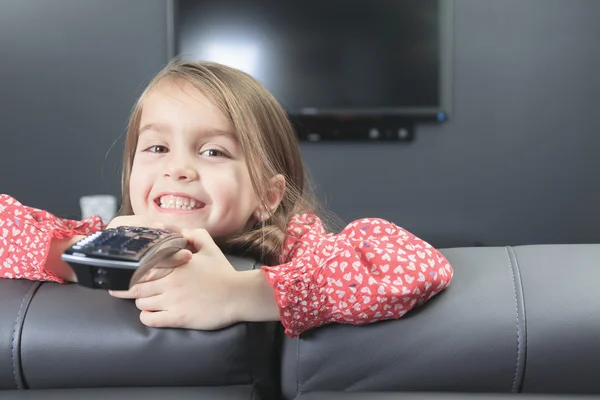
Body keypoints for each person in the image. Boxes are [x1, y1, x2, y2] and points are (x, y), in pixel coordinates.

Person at [0, 60, 453, 337]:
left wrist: (240, 294)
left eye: (213, 151)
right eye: (157, 148)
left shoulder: (292, 247)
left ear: (267, 196)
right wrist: (84, 263)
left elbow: (414, 265)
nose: (178, 168)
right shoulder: (109, 239)